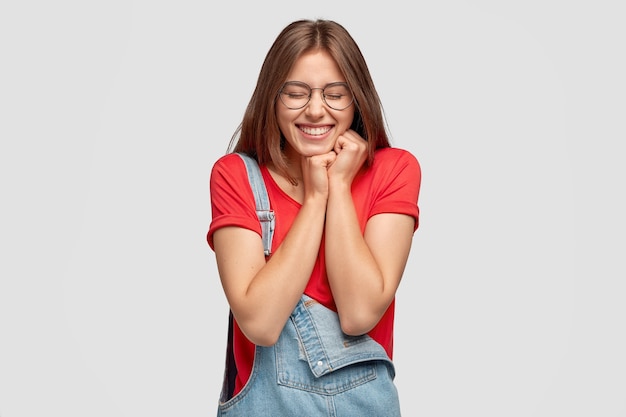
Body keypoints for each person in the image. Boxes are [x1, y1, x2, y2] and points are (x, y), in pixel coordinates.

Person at [207, 19, 421, 417]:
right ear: (272, 96)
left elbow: (359, 313)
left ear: (357, 99)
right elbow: (261, 322)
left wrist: (339, 187)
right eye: (296, 93)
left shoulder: (394, 170)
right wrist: (317, 195)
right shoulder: (237, 176)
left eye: (336, 94)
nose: (316, 110)